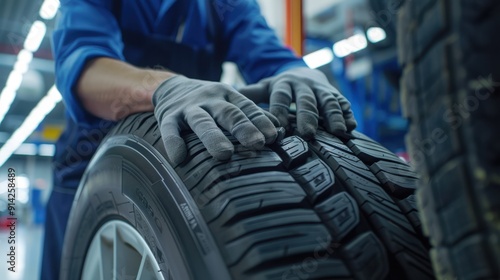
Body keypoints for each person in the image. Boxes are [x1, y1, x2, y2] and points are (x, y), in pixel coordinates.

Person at [41, 0, 357, 279]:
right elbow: (84, 70)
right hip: (87, 174)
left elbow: (267, 53)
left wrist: (297, 72)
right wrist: (162, 87)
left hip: (184, 167)